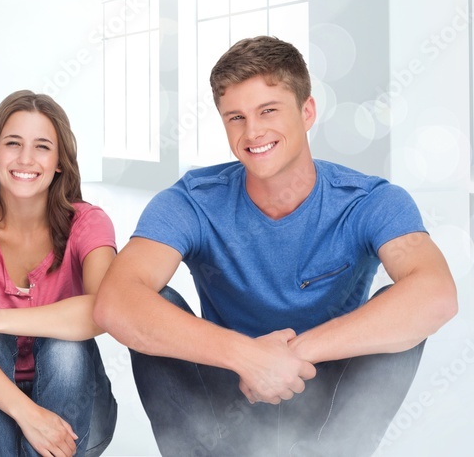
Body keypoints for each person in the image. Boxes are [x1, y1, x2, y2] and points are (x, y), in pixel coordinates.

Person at [94, 35, 457, 456]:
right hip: (226, 398)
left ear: (307, 111)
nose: (253, 132)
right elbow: (115, 302)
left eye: (268, 111)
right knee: (155, 298)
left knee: (405, 301)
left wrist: (291, 355)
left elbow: (437, 295)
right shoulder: (192, 200)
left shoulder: (370, 201)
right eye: (236, 117)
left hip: (328, 405)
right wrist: (248, 358)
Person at [0, 90, 118, 457]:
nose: (26, 159)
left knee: (63, 344)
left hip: (76, 406)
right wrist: (27, 413)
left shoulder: (88, 223)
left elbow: (105, 310)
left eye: (42, 147)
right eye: (13, 143)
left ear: (60, 161)